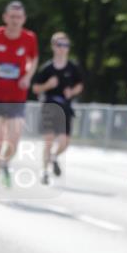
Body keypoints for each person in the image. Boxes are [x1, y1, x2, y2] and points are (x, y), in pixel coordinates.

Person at [0, 1, 38, 199]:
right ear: (5, 17)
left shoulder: (29, 38)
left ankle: (5, 163)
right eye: (12, 17)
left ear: (24, 19)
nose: (15, 21)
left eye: (19, 17)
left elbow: (33, 59)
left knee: (13, 141)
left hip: (17, 98)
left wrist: (28, 76)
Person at [32, 32, 84, 184]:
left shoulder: (73, 67)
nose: (63, 48)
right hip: (49, 106)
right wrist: (47, 85)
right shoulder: (47, 68)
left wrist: (72, 91)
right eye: (60, 45)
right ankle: (44, 171)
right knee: (48, 140)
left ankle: (54, 157)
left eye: (66, 45)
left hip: (65, 108)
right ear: (54, 46)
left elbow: (80, 85)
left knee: (65, 141)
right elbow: (35, 88)